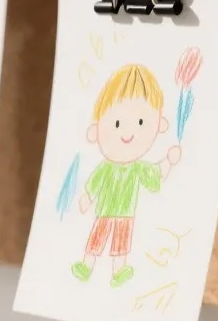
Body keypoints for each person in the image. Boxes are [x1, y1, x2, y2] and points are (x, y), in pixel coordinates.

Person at [75, 64, 182, 286]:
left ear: (159, 125)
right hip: (104, 212)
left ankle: (119, 271)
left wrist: (169, 162)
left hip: (125, 213)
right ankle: (86, 265)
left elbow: (156, 175)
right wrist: (87, 198)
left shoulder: (137, 168)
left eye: (141, 122)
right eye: (116, 123)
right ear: (96, 130)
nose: (127, 133)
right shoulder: (106, 168)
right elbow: (93, 185)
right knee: (97, 237)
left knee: (121, 243)